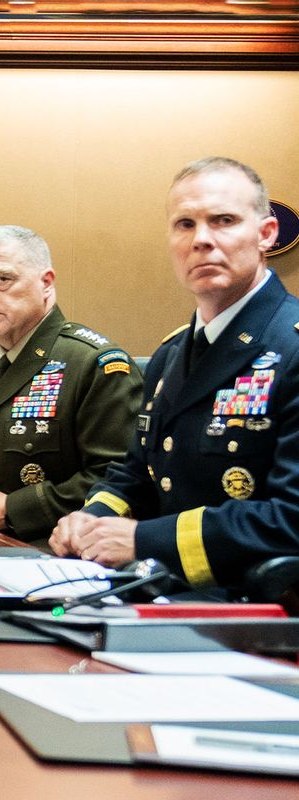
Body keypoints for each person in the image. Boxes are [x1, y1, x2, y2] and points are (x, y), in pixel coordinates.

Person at [52, 157, 298, 587]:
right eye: (185, 224)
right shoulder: (171, 354)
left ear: (265, 234)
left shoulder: (291, 345)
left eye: (223, 220)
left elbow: (291, 517)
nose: (202, 239)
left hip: (255, 612)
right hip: (159, 592)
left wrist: (146, 540)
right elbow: (136, 474)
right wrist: (90, 520)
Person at [0, 226, 142, 542]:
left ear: (46, 283)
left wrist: (13, 508)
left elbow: (117, 478)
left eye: (1, 279)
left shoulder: (92, 363)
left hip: (49, 549)